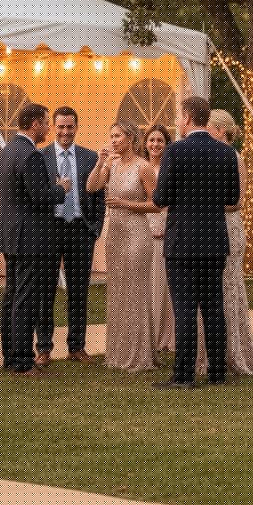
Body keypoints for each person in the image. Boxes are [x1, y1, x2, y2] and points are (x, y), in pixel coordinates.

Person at [150, 96, 239, 389]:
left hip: (183, 241)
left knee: (185, 309)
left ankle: (184, 375)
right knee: (213, 307)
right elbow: (231, 198)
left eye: (179, 115)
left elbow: (160, 198)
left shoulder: (175, 151)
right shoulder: (226, 153)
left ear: (187, 117)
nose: (177, 120)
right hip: (213, 239)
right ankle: (216, 373)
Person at [0, 103, 68, 376]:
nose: (49, 128)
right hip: (29, 237)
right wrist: (60, 189)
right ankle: (24, 361)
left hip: (11, 234)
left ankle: (10, 356)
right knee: (25, 299)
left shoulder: (6, 152)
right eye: (47, 122)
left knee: (12, 296)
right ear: (35, 123)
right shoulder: (31, 155)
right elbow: (40, 197)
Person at [198, 110, 253, 375]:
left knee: (227, 289)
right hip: (210, 226)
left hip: (228, 228)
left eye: (208, 128)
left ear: (218, 130)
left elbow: (237, 200)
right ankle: (210, 351)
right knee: (212, 290)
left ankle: (232, 352)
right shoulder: (210, 155)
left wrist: (204, 203)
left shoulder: (234, 157)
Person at [86, 120, 158, 372]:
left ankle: (139, 354)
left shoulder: (144, 167)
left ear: (130, 138)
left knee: (136, 291)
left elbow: (157, 204)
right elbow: (91, 187)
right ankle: (118, 352)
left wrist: (126, 204)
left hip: (137, 234)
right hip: (115, 235)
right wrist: (100, 162)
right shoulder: (112, 165)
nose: (114, 140)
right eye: (111, 136)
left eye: (118, 136)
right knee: (117, 292)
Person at [37, 107, 104, 365]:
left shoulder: (90, 157)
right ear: (54, 127)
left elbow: (98, 194)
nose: (65, 132)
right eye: (61, 127)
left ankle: (77, 346)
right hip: (49, 230)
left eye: (70, 127)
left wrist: (94, 228)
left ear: (77, 127)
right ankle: (43, 348)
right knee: (45, 291)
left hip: (80, 230)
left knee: (79, 291)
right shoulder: (40, 157)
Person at [143, 125, 175, 355]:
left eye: (160, 140)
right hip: (143, 231)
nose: (155, 144)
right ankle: (149, 336)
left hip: (167, 231)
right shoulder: (141, 168)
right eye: (152, 140)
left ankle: (168, 335)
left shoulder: (171, 168)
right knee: (147, 285)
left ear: (166, 144)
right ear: (145, 143)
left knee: (166, 286)